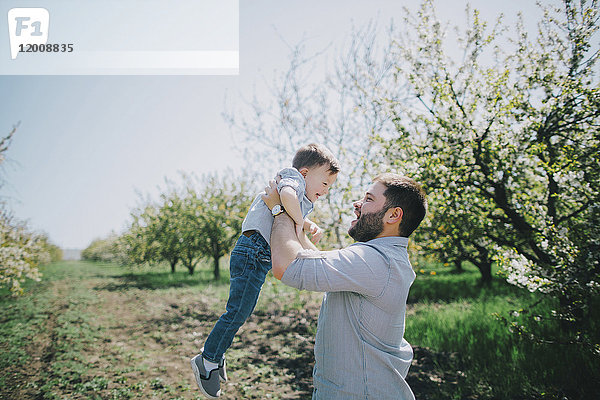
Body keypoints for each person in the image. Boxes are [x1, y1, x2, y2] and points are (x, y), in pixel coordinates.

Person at [190, 143, 340, 399]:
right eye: (325, 183)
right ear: (305, 173)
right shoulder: (292, 178)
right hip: (253, 250)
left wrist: (305, 225)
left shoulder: (300, 197)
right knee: (237, 310)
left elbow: (288, 218)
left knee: (241, 311)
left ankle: (217, 352)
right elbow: (288, 198)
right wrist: (302, 226)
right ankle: (207, 361)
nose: (326, 191)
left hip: (258, 256)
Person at [262, 172, 427, 400]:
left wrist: (279, 211)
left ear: (393, 215)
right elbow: (324, 266)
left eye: (368, 199)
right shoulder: (384, 258)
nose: (356, 205)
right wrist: (299, 229)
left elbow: (287, 267)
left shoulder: (374, 259)